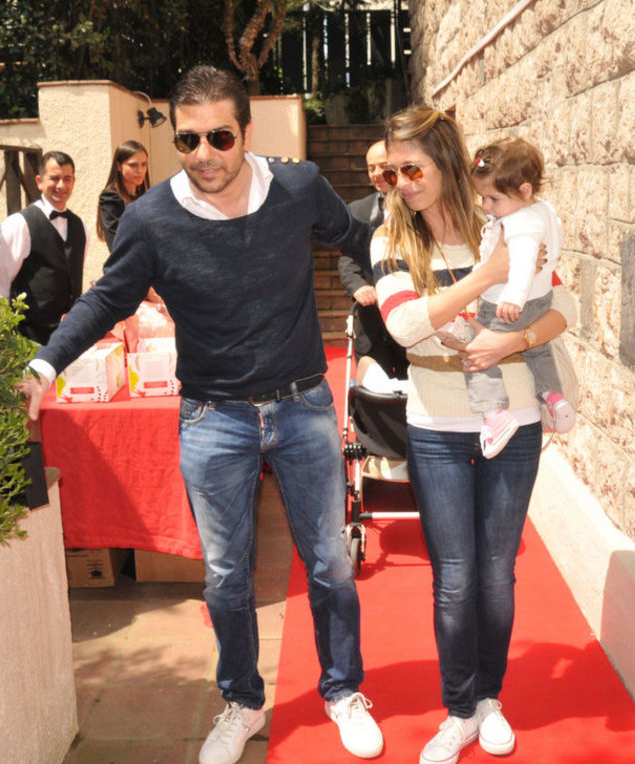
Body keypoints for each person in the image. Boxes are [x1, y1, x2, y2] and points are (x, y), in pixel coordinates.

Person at [20, 65, 384, 764]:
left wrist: (415, 283)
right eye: (188, 140)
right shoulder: (151, 219)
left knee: (331, 563)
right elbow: (106, 298)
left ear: (246, 131)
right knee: (224, 575)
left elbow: (360, 239)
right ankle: (242, 702)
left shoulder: (300, 188)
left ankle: (342, 690)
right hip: (213, 419)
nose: (205, 153)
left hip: (304, 406)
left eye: (220, 136)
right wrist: (45, 364)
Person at [372, 105, 576, 764]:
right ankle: (458, 710)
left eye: (413, 169)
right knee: (454, 581)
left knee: (496, 577)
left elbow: (564, 306)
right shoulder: (391, 239)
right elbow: (405, 327)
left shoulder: (504, 222)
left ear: (445, 161)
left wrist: (511, 340)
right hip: (434, 425)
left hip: (513, 420)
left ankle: (489, 699)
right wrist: (488, 276)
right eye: (393, 172)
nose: (402, 183)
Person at [458, 136, 575, 457]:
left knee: (477, 353)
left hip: (506, 303)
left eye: (493, 199)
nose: (486, 206)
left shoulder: (520, 221)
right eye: (483, 197)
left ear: (524, 190)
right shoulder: (543, 210)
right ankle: (553, 396)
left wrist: (513, 296)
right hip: (541, 300)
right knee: (538, 350)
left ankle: (493, 413)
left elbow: (523, 260)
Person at [0, 151, 88, 345]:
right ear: (39, 181)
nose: (61, 185)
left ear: (73, 182)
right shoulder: (18, 225)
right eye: (54, 178)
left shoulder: (81, 227)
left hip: (70, 339)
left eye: (67, 179)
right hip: (30, 340)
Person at [338, 140, 408, 389]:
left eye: (382, 166)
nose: (376, 173)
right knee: (374, 394)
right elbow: (347, 259)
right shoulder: (357, 210)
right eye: (371, 168)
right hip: (371, 323)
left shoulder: (419, 204)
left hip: (411, 320)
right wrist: (357, 287)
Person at [96, 139, 150, 256]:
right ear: (119, 166)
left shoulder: (145, 198)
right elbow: (116, 245)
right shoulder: (110, 198)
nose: (140, 170)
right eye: (133, 165)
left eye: (144, 164)